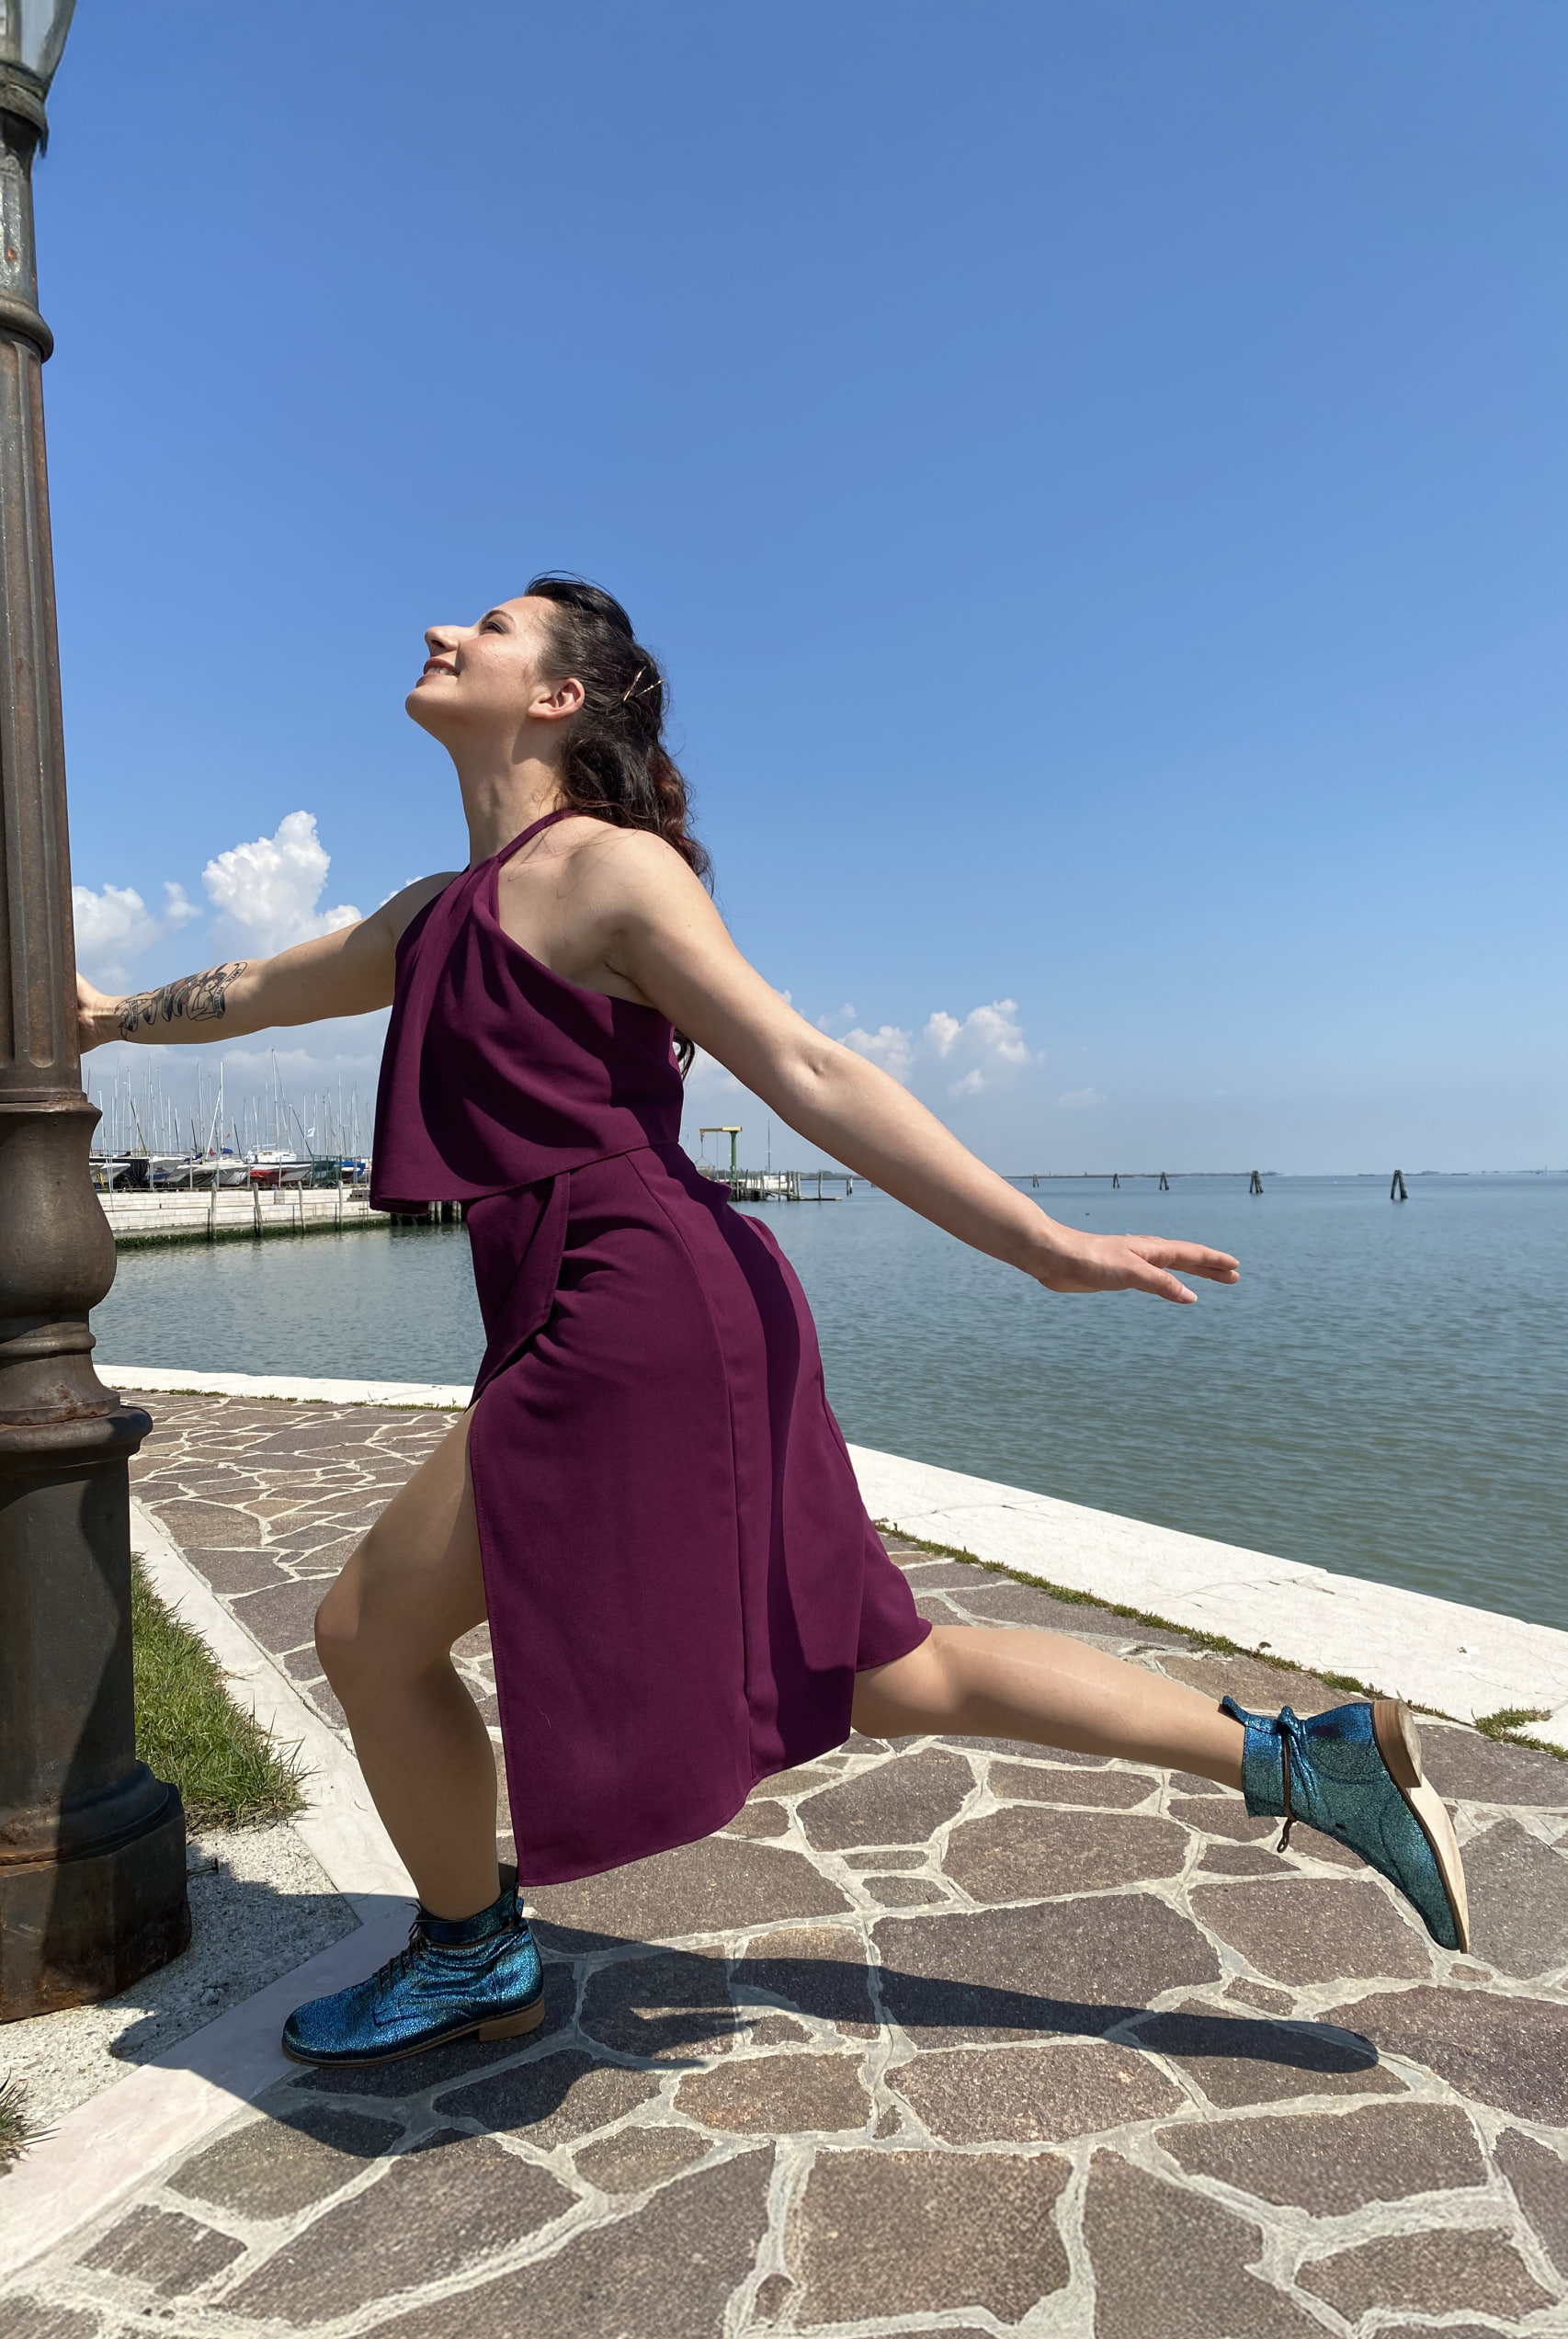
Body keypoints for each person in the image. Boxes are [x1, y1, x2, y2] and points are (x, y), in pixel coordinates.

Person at [78, 576, 1469, 2066]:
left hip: (637, 1305)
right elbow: (264, 990)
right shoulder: (430, 917)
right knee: (882, 1671)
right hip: (611, 1297)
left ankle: (471, 1952)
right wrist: (97, 1015)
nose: (439, 633)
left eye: (484, 629)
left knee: (367, 1629)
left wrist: (1040, 1244)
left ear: (558, 696)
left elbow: (805, 1067)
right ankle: (1300, 1761)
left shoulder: (609, 872)